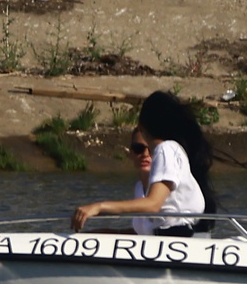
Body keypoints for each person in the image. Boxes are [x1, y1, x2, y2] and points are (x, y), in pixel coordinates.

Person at [71, 91, 214, 235]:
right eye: (138, 149)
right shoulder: (172, 150)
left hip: (177, 237)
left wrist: (99, 207)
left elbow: (153, 204)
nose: (145, 154)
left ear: (141, 126)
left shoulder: (166, 149)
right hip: (169, 238)